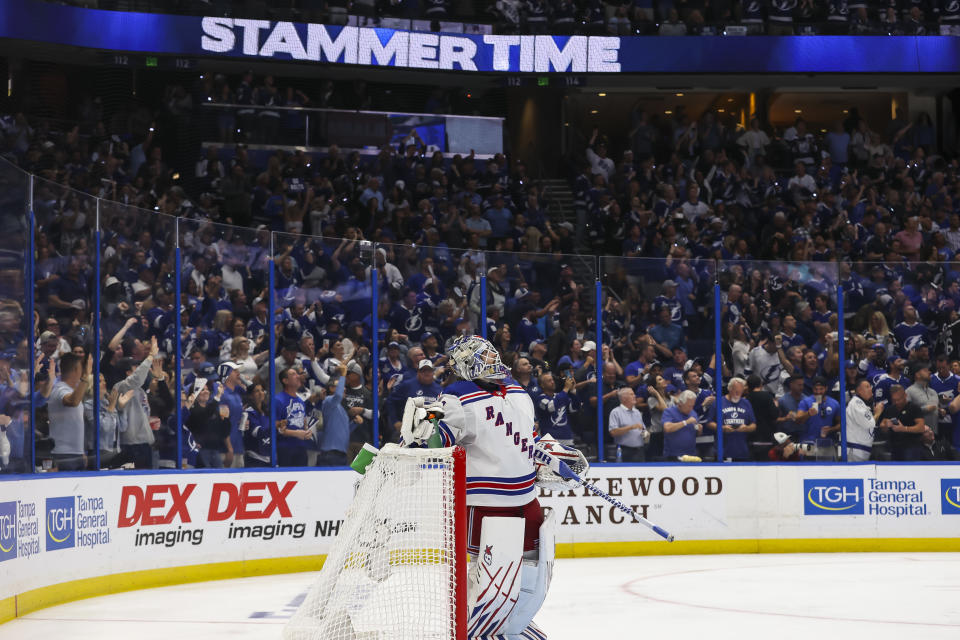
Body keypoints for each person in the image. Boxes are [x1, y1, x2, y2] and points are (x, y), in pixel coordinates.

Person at [399, 334, 586, 639]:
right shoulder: (471, 396)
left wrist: (544, 459)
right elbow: (439, 440)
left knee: (528, 584)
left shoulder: (498, 394)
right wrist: (425, 424)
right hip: (491, 508)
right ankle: (488, 633)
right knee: (490, 589)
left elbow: (528, 441)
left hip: (519, 505)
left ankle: (508, 632)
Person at [115, 337, 161, 469]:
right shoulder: (121, 388)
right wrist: (151, 355)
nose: (139, 369)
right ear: (127, 373)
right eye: (135, 367)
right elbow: (137, 378)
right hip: (131, 445)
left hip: (145, 443)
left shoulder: (140, 390)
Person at [47, 352, 92, 470]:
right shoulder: (60, 389)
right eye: (82, 369)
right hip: (63, 455)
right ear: (77, 369)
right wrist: (86, 377)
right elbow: (73, 401)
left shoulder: (71, 390)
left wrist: (81, 451)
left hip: (76, 454)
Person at [185, 378, 232, 468]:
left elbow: (224, 432)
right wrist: (217, 396)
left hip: (215, 451)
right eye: (202, 390)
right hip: (199, 451)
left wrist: (226, 419)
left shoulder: (213, 409)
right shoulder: (191, 409)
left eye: (207, 389)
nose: (206, 391)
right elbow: (203, 415)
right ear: (194, 393)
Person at [707, 377, 756, 461]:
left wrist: (746, 428)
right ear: (729, 389)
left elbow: (753, 425)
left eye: (740, 392)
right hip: (723, 451)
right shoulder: (718, 402)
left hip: (742, 451)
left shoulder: (746, 403)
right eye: (736, 391)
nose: (738, 394)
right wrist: (722, 428)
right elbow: (709, 423)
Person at [274, 366, 315, 466]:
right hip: (285, 448)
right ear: (285, 381)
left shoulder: (301, 401)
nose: (298, 376)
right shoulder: (277, 400)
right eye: (293, 374)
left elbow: (304, 424)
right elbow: (276, 428)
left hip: (301, 448)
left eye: (297, 374)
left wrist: (307, 432)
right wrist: (296, 433)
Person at [878, 385, 926, 461]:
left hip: (912, 447)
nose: (897, 402)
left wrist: (904, 429)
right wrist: (886, 425)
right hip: (895, 447)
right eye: (894, 400)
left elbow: (921, 428)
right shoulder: (890, 409)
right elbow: (882, 426)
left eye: (899, 399)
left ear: (905, 395)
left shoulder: (914, 408)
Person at [318, 362, 351, 466]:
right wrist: (343, 376)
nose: (344, 388)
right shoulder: (328, 401)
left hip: (342, 454)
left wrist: (355, 423)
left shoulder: (342, 410)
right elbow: (337, 396)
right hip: (330, 453)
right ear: (331, 388)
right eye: (340, 386)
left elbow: (344, 431)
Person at [535, 371, 580, 446]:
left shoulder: (560, 396)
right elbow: (551, 407)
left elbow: (575, 408)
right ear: (542, 385)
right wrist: (566, 389)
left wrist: (572, 390)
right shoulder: (540, 399)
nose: (552, 382)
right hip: (550, 443)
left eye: (552, 380)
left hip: (568, 440)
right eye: (549, 381)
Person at [845, 379, 883, 461]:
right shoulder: (856, 403)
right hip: (856, 450)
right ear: (859, 391)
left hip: (860, 450)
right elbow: (870, 423)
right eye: (867, 387)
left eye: (870, 387)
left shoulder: (862, 404)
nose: (870, 389)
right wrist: (878, 412)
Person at [608, 387, 649, 462]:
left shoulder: (637, 412)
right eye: (631, 394)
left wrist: (645, 433)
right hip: (625, 451)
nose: (635, 396)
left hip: (640, 451)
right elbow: (613, 432)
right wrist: (631, 427)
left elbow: (643, 429)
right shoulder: (616, 412)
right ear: (624, 398)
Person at [796, 376, 840, 444]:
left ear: (826, 388)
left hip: (827, 443)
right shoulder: (805, 402)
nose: (818, 392)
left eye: (821, 389)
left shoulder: (834, 403)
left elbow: (841, 424)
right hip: (808, 442)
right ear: (812, 389)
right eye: (815, 389)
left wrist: (831, 429)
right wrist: (808, 414)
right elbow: (798, 420)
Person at [662, 389, 700, 459]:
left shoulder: (693, 413)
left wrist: (700, 429)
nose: (691, 408)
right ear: (680, 404)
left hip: (691, 455)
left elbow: (697, 434)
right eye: (689, 406)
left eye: (693, 406)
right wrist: (686, 422)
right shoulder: (669, 412)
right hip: (673, 455)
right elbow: (667, 428)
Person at [241, 383, 272, 467]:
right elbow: (257, 432)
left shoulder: (267, 411)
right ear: (251, 396)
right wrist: (275, 427)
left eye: (262, 390)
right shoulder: (248, 412)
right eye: (257, 391)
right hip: (255, 457)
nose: (261, 393)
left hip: (269, 456)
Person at [906, 363, 939, 437]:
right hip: (918, 436)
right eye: (925, 370)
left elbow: (936, 411)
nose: (929, 372)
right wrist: (924, 409)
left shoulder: (933, 392)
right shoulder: (909, 391)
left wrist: (940, 412)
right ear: (917, 375)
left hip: (934, 434)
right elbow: (906, 413)